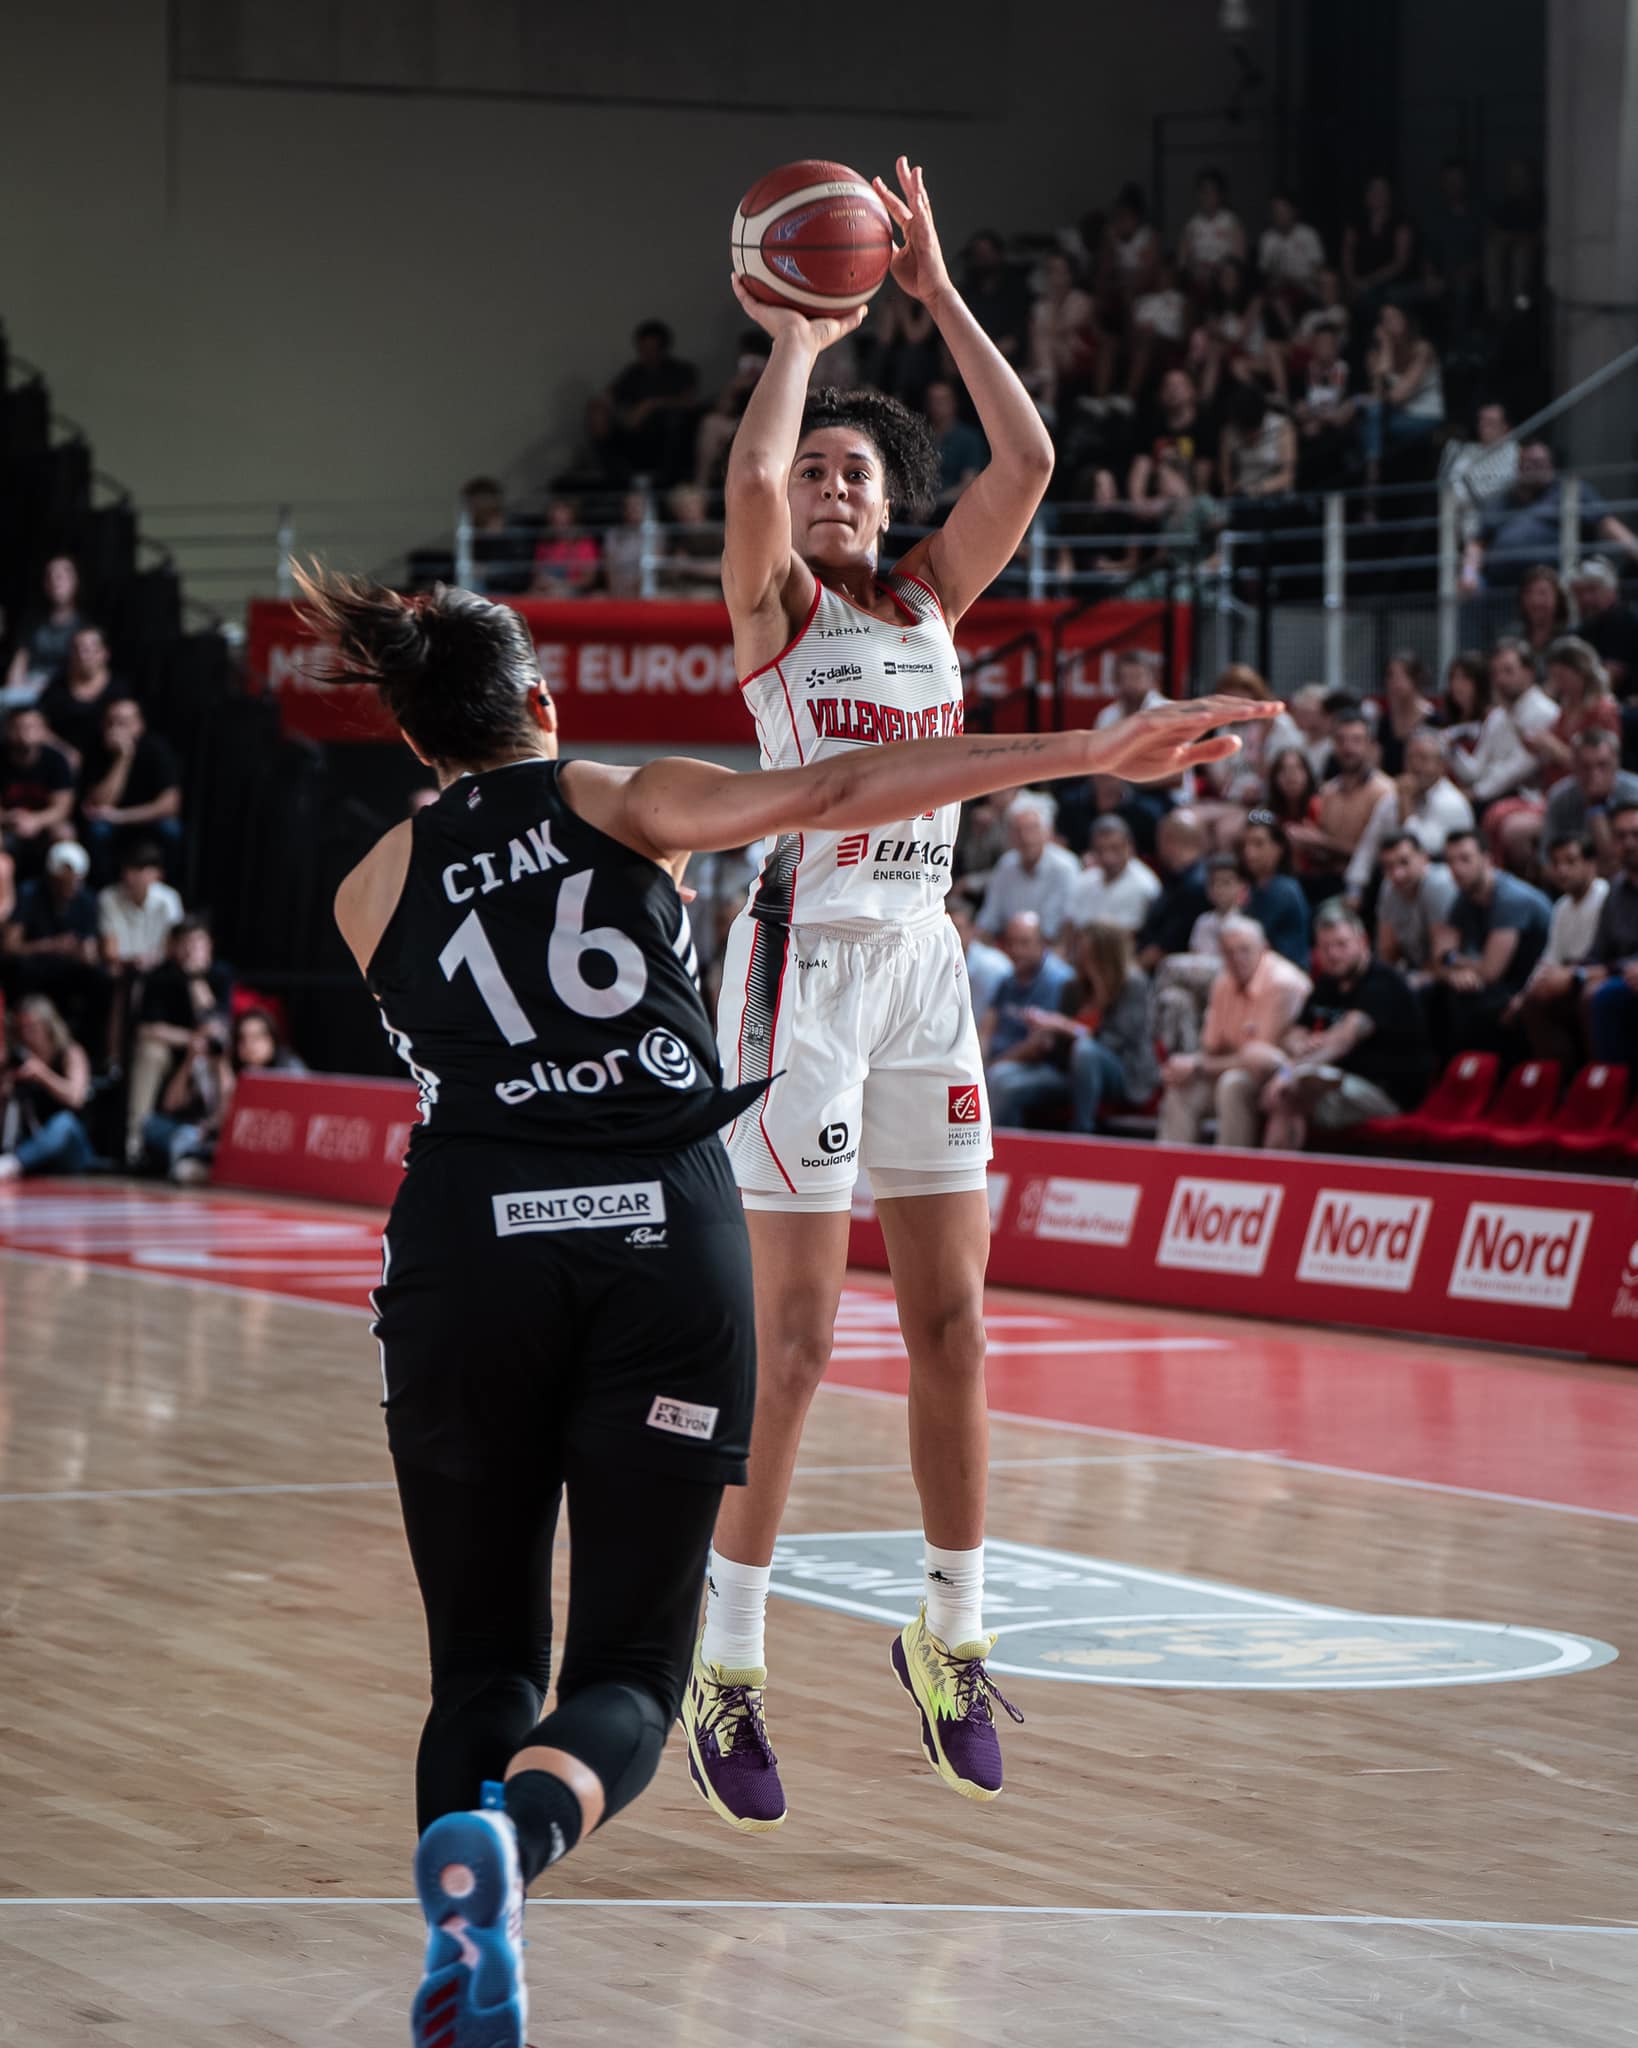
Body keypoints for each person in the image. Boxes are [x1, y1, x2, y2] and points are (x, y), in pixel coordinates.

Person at [304, 562, 1263, 2043]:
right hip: (657, 1249)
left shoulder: (368, 888)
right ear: (545, 706)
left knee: (483, 1665)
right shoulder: (626, 801)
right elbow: (845, 790)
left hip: (466, 1255)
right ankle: (524, 1840)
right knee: (627, 1668)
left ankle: (466, 1903)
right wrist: (1084, 750)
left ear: (414, 741)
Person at [702, 157, 1278, 1832]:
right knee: (797, 1342)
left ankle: (949, 1629)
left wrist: (937, 291)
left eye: (854, 474)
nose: (826, 485)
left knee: (952, 1323)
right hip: (798, 965)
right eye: (815, 471)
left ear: (887, 506)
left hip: (921, 971)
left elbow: (1023, 457)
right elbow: (744, 471)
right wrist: (802, 336)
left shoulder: (929, 599)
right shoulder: (778, 613)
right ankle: (723, 1657)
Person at [1259, 903, 1430, 1149]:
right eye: (1325, 947)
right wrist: (1302, 1042)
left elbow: (1342, 1041)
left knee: (1291, 1091)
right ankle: (1229, 1170)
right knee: (1242, 1082)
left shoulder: (1383, 983)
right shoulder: (1327, 983)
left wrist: (1288, 1072)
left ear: (1362, 941)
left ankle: (1276, 1178)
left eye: (1341, 945)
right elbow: (1292, 1033)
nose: (1333, 954)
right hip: (1333, 1079)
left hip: (1383, 1091)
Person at [1156, 915, 1310, 1146]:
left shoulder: (1282, 983)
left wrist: (1198, 1065)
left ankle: (1229, 1172)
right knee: (1182, 1085)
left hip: (1279, 1077)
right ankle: (1168, 1170)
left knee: (1233, 1083)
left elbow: (1257, 1060)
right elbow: (1212, 1047)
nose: (1237, 959)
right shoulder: (1223, 982)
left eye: (1244, 950)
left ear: (1264, 948)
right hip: (1234, 1067)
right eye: (1228, 952)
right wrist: (1189, 1065)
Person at [1003, 921, 1159, 1132]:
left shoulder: (1132, 985)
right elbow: (1060, 1050)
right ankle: (1003, 1153)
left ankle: (1081, 1135)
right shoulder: (1072, 988)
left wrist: (1064, 1025)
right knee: (1003, 1080)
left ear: (1106, 954)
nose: (1082, 960)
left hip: (1122, 1072)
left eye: (1089, 954)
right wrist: (1047, 1038)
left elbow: (1116, 1040)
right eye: (1081, 952)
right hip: (1070, 1073)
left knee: (1086, 1052)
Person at [144, 1004, 304, 1185]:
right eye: (242, 1038)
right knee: (157, 1127)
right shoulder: (222, 1066)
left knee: (187, 1142)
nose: (249, 1045)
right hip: (213, 1138)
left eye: (257, 1037)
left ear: (272, 1038)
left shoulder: (289, 1068)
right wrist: (193, 1060)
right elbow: (171, 1105)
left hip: (264, 1147)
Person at [124, 916, 234, 1169]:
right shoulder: (160, 975)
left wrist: (195, 978)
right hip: (173, 1051)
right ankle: (134, 1141)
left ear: (209, 946)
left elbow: (216, 1024)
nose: (190, 950)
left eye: (198, 943)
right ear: (173, 946)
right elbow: (147, 1029)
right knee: (150, 1052)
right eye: (185, 943)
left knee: (218, 1051)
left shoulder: (220, 974)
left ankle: (219, 1138)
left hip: (210, 1054)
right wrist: (191, 1041)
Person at [1430, 828, 1551, 1052]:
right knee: (1435, 992)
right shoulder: (1464, 899)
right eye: (1450, 861)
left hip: (1530, 983)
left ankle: (1483, 1074)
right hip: (1505, 983)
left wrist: (1454, 960)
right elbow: (1439, 961)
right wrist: (1454, 972)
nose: (1456, 869)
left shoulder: (1510, 899)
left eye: (1465, 859)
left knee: (1472, 1000)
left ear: (1487, 859)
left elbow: (1490, 972)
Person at [1464, 441, 1638, 590]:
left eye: (1538, 462)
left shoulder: (1570, 492)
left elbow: (1607, 525)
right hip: (1498, 588)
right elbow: (1477, 543)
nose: (1531, 468)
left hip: (1554, 586)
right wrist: (1469, 574)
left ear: (1551, 466)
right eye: (1525, 463)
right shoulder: (1501, 501)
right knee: (1471, 589)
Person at [1510, 834, 1608, 1064]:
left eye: (1571, 862)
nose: (1562, 870)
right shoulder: (1561, 906)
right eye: (1556, 863)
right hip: (1564, 976)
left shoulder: (1605, 895)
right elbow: (1550, 958)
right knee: (1531, 1002)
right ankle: (1558, 1079)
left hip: (1592, 973)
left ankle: (1599, 1076)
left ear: (1590, 864)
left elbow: (1604, 954)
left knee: (1589, 996)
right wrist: (1526, 992)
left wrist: (1570, 975)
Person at [1345, 727, 1474, 901]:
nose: (1415, 766)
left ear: (1441, 766)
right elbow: (1368, 845)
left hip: (1443, 887)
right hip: (1401, 885)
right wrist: (1354, 891)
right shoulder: (1391, 800)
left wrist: (1405, 804)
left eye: (1423, 758)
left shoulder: (1452, 803)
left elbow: (1421, 849)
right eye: (1410, 758)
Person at [2, 839, 107, 1045]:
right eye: (63, 880)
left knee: (100, 978)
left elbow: (93, 947)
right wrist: (51, 945)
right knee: (18, 968)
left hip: (70, 968)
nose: (70, 886)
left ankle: (91, 1048)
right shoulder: (30, 893)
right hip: (36, 965)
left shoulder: (87, 900)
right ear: (52, 876)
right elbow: (10, 946)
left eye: (75, 880)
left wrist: (87, 953)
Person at [980, 912, 1078, 1126]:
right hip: (1001, 1063)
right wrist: (978, 1065)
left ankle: (1000, 1148)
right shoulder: (1007, 980)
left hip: (1048, 1069)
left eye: (1024, 943)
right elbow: (988, 1026)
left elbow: (1039, 1047)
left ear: (1042, 943)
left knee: (1000, 1080)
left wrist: (991, 1067)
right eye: (1011, 943)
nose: (1016, 951)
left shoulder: (1059, 980)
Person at [1286, 707, 1393, 892]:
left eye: (1356, 740)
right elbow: (1321, 848)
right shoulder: (1327, 791)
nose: (1348, 747)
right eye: (1341, 740)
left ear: (1370, 745)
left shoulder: (1384, 791)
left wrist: (1322, 842)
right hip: (1325, 880)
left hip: (1369, 886)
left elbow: (1378, 856)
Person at [97, 839, 182, 1061]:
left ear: (156, 874)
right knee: (120, 984)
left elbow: (174, 945)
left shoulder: (169, 900)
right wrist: (131, 962)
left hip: (159, 969)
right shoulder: (109, 897)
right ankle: (113, 1059)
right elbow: (109, 949)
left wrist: (154, 959)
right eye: (129, 869)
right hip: (122, 968)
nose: (131, 876)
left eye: (140, 870)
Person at [78, 699, 184, 875]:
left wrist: (120, 816)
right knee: (98, 831)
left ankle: (167, 886)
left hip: (142, 818)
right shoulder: (95, 749)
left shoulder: (157, 750)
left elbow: (170, 805)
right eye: (111, 722)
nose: (116, 729)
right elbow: (99, 804)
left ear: (139, 725)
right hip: (110, 822)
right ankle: (105, 889)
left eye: (123, 723)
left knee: (171, 830)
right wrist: (123, 759)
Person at [1451, 639, 1558, 809]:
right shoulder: (1496, 716)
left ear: (1529, 672)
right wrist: (1451, 750)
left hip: (1526, 798)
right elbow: (1476, 770)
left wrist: (1475, 793)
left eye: (1508, 671)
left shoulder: (1545, 712)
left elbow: (1517, 770)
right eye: (1496, 673)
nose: (1500, 680)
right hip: (1489, 795)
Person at [0, 994, 98, 1180]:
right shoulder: (19, 1061)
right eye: (22, 1029)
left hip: (71, 1149)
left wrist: (43, 1075)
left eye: (33, 1028)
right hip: (32, 1147)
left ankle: (13, 1164)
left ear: (48, 1026)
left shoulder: (70, 1053)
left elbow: (76, 1097)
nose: (27, 1035)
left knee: (64, 1122)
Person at [607, 319, 700, 488]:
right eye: (643, 348)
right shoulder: (633, 374)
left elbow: (689, 402)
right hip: (639, 434)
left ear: (663, 348)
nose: (648, 353)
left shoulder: (680, 371)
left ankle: (667, 482)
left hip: (672, 432)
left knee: (674, 423)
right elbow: (611, 398)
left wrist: (652, 404)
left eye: (653, 348)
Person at [976, 790, 1080, 937]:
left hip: (1049, 949)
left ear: (1047, 832)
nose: (1025, 837)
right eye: (1018, 831)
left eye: (1032, 829)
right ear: (1010, 836)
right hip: (1008, 948)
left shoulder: (1065, 867)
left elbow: (1068, 923)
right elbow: (988, 920)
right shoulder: (1005, 865)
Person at [1581, 801, 1638, 1061]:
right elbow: (1597, 954)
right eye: (1621, 836)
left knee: (1606, 996)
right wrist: (1579, 974)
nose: (1628, 843)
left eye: (1636, 835)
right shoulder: (1613, 891)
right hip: (1620, 976)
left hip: (1622, 978)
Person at [1359, 303, 1443, 481]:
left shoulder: (1423, 349)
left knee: (1369, 421)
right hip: (1393, 415)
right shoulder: (1376, 354)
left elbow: (1398, 396)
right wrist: (1386, 348)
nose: (1389, 324)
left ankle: (1372, 479)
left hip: (1425, 415)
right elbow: (1377, 393)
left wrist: (1387, 348)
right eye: (1385, 320)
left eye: (1394, 318)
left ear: (1406, 319)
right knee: (1368, 417)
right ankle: (1373, 473)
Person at [1543, 728, 1638, 872]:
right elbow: (1546, 859)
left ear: (1616, 763)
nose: (1594, 775)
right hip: (1575, 880)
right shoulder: (1560, 798)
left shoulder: (1634, 793)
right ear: (1573, 765)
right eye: (1585, 767)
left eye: (1602, 765)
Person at [38, 626, 132, 764]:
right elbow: (38, 725)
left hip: (106, 757)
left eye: (89, 650)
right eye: (77, 649)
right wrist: (64, 751)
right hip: (63, 759)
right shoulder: (57, 687)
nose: (82, 655)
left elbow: (129, 726)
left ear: (105, 653)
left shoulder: (119, 689)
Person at [1376, 831, 1459, 982]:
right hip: (1417, 968)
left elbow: (1442, 959)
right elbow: (1386, 951)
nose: (1397, 874)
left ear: (1424, 858)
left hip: (1453, 970)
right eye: (1388, 866)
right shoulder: (1389, 887)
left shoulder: (1439, 884)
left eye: (1404, 862)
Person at [0, 705, 75, 871]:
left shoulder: (56, 760)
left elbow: (62, 808)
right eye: (18, 727)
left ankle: (63, 893)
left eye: (31, 727)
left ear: (44, 730)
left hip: (45, 822)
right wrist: (8, 818)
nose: (24, 733)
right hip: (8, 823)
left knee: (64, 834)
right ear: (7, 729)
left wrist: (36, 821)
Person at [3, 556, 85, 706]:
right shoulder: (32, 622)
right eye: (50, 576)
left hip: (64, 690)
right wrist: (15, 687)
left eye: (62, 576)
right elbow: (19, 662)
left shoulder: (84, 626)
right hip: (29, 686)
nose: (55, 581)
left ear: (76, 581)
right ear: (45, 584)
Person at [1439, 401, 1519, 549]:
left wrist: (1468, 483)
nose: (1483, 425)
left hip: (1499, 523)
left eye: (1491, 422)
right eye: (1481, 420)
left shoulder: (1515, 453)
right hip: (1464, 524)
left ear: (1505, 427)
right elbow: (1452, 485)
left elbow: (1495, 491)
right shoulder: (1467, 450)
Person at [1064, 813, 1160, 933]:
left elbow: (1129, 939)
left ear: (1130, 847)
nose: (1107, 857)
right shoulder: (1084, 880)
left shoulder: (1145, 886)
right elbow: (1069, 929)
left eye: (1115, 848)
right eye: (1100, 850)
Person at [1239, 809, 1311, 966]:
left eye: (1258, 844)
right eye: (1245, 844)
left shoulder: (1283, 890)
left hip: (1285, 976)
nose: (1249, 852)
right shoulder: (1254, 888)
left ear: (1278, 848)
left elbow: (1248, 938)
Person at [1342, 176, 1416, 312]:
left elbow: (1400, 262)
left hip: (1391, 282)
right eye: (1373, 190)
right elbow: (1348, 253)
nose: (1377, 194)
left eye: (1381, 190)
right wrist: (1351, 281)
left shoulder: (1401, 222)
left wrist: (1368, 282)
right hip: (1358, 282)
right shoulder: (1355, 222)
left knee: (1378, 298)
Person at [1569, 558, 1638, 697]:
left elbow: (1611, 676)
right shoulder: (1581, 631)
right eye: (1580, 592)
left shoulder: (1624, 621)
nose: (1586, 599)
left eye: (1592, 590)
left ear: (1611, 591)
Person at [1178, 170, 1246, 291]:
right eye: (1204, 191)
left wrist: (1218, 271)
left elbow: (1239, 259)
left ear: (1220, 194)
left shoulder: (1231, 222)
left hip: (1224, 282)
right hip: (1198, 281)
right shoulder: (1191, 226)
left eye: (1212, 191)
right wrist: (1195, 269)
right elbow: (1182, 262)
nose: (1208, 196)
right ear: (1198, 194)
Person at [1374, 651, 1438, 779]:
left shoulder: (1434, 719)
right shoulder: (1385, 721)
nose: (1395, 683)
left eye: (1402, 676)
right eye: (1391, 676)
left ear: (1416, 678)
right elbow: (1376, 766)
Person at [925, 378, 988, 508]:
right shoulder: (920, 435)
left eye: (941, 401)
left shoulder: (969, 438)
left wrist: (935, 503)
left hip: (951, 508)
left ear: (954, 403)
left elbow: (968, 483)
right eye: (933, 401)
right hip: (914, 508)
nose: (936, 405)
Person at [947, 896, 1010, 1024]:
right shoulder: (927, 965)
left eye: (957, 929)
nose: (950, 936)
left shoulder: (996, 967)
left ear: (973, 930)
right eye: (946, 930)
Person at [528, 498, 600, 599]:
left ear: (572, 520)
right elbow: (536, 575)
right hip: (546, 591)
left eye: (563, 522)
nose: (559, 526)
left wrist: (561, 584)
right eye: (555, 521)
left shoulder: (584, 542)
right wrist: (542, 582)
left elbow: (589, 579)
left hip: (574, 592)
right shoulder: (545, 543)